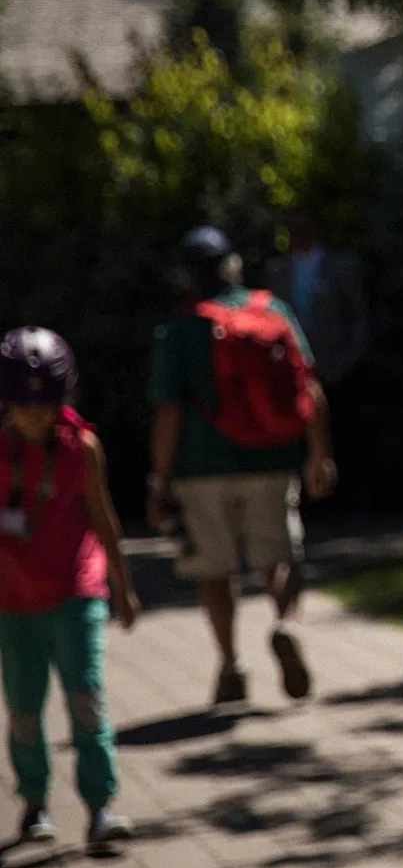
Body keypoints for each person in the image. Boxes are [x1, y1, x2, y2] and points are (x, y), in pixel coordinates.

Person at [149, 227, 337, 707]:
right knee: (280, 558)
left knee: (214, 570)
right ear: (233, 265)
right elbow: (310, 388)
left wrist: (160, 479)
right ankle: (284, 624)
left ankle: (231, 666)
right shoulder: (272, 310)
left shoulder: (182, 328)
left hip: (200, 469)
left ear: (188, 276)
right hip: (272, 460)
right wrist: (319, 454)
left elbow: (169, 411)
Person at [0, 328, 139, 848]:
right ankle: (35, 803)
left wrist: (122, 586)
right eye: (22, 404)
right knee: (23, 708)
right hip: (12, 599)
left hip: (76, 592)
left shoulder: (82, 446)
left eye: (45, 403)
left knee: (87, 699)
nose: (34, 415)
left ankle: (100, 806)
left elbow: (103, 516)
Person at [264, 207, 369, 389]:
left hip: (335, 374)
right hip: (291, 375)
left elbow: (358, 321)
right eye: (293, 228)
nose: (299, 234)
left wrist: (343, 365)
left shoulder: (341, 267)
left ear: (315, 229)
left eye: (304, 227)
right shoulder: (277, 271)